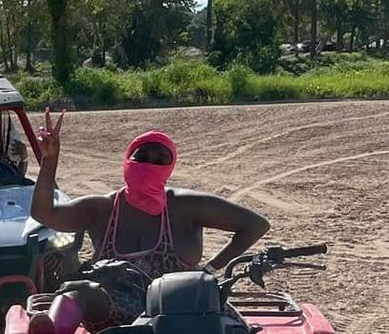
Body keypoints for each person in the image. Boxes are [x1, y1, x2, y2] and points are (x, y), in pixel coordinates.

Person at [31, 111, 270, 303]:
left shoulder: (185, 207)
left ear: (170, 168)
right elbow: (45, 213)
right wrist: (49, 162)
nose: (149, 165)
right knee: (78, 293)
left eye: (159, 161)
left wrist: (209, 269)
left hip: (184, 311)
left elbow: (255, 225)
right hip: (115, 320)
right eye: (141, 158)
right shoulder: (102, 209)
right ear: (127, 161)